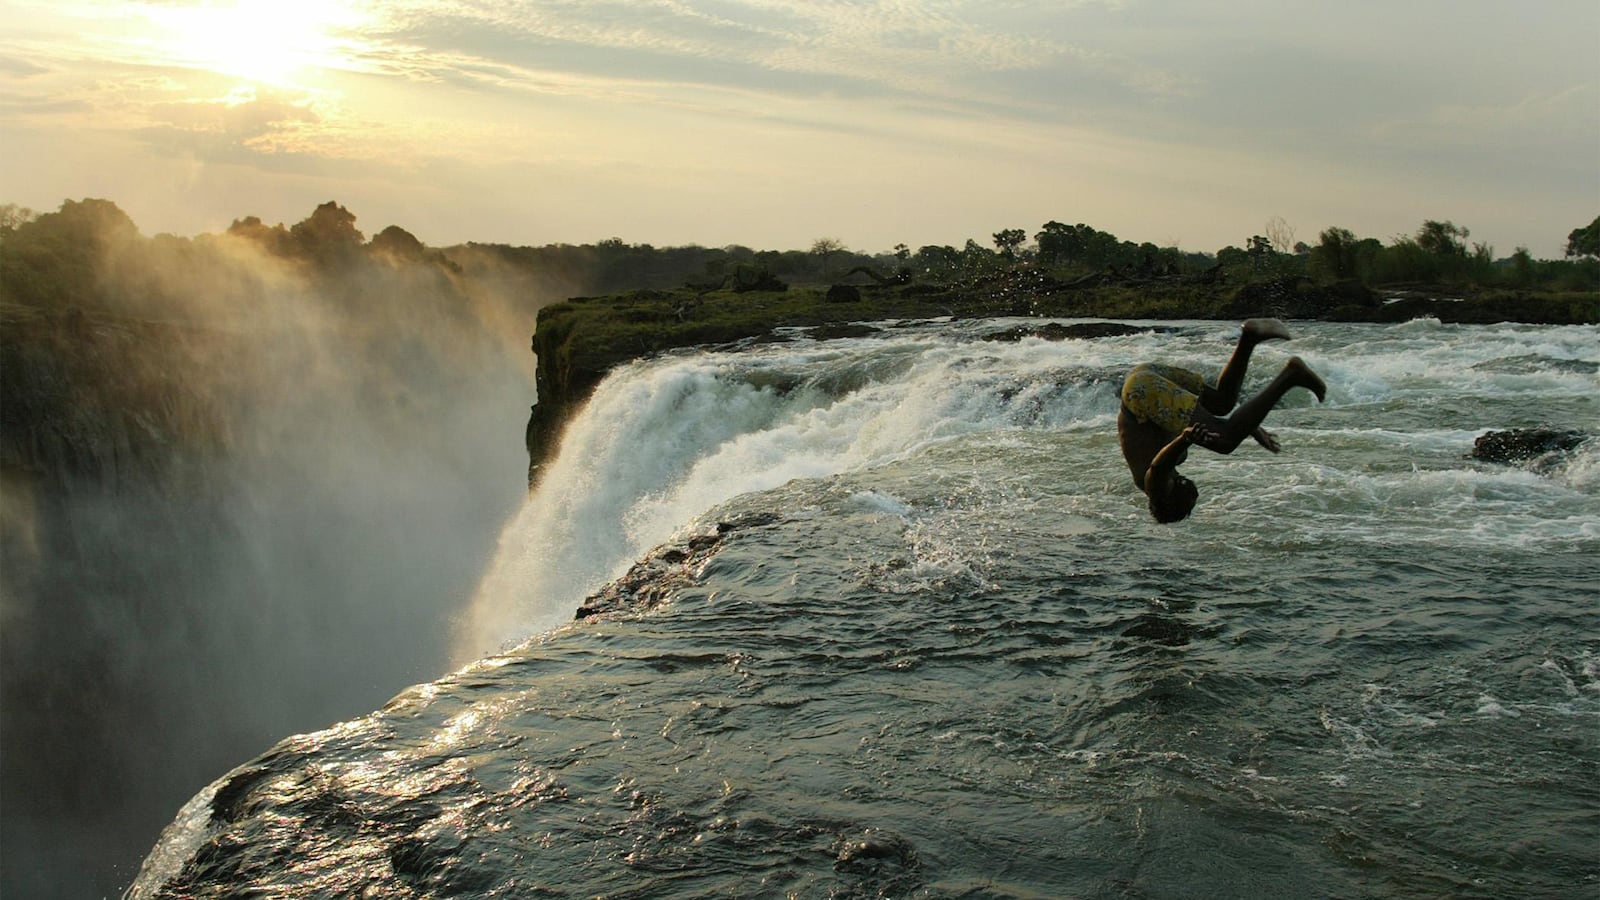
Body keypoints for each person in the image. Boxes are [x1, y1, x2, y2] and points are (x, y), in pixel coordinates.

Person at [1118, 318, 1326, 523]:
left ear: (1171, 502)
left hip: (1142, 392)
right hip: (1143, 379)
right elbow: (1177, 424)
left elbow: (1159, 466)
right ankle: (1250, 336)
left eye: (1190, 503)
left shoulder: (1155, 488)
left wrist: (1184, 439)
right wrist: (1250, 427)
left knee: (1225, 442)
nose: (1195, 498)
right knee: (1222, 402)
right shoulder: (1170, 471)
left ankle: (1290, 376)